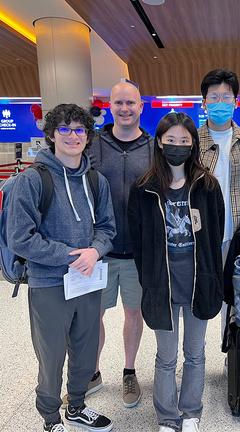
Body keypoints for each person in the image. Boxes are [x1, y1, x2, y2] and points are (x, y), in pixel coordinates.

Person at [7, 104, 116, 432]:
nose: (73, 135)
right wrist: (71, 256)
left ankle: (77, 406)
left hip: (87, 280)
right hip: (49, 282)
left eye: (79, 129)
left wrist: (95, 251)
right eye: (64, 129)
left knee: (85, 349)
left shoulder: (96, 180)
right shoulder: (32, 180)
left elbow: (107, 227)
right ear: (52, 134)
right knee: (51, 355)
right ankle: (51, 418)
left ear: (88, 136)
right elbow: (20, 238)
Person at [128, 112, 225, 432]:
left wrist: (213, 274)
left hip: (198, 279)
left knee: (195, 353)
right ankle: (167, 417)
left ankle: (191, 411)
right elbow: (138, 240)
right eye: (171, 140)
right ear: (159, 142)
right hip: (162, 283)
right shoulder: (144, 188)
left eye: (185, 140)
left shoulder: (207, 186)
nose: (177, 146)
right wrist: (148, 278)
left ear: (193, 144)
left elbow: (215, 233)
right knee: (166, 356)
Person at [62, 82, 154, 409]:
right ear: (110, 106)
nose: (124, 108)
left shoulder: (153, 148)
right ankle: (92, 372)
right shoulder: (92, 145)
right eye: (118, 103)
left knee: (134, 312)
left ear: (141, 106)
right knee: (92, 315)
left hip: (138, 253)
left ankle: (129, 371)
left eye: (130, 103)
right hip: (97, 251)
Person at [197, 68, 240, 346]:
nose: (220, 103)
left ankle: (233, 356)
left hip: (238, 234)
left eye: (226, 97)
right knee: (201, 296)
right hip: (203, 236)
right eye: (213, 97)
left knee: (238, 297)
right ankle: (196, 356)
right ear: (204, 102)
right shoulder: (193, 141)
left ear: (236, 102)